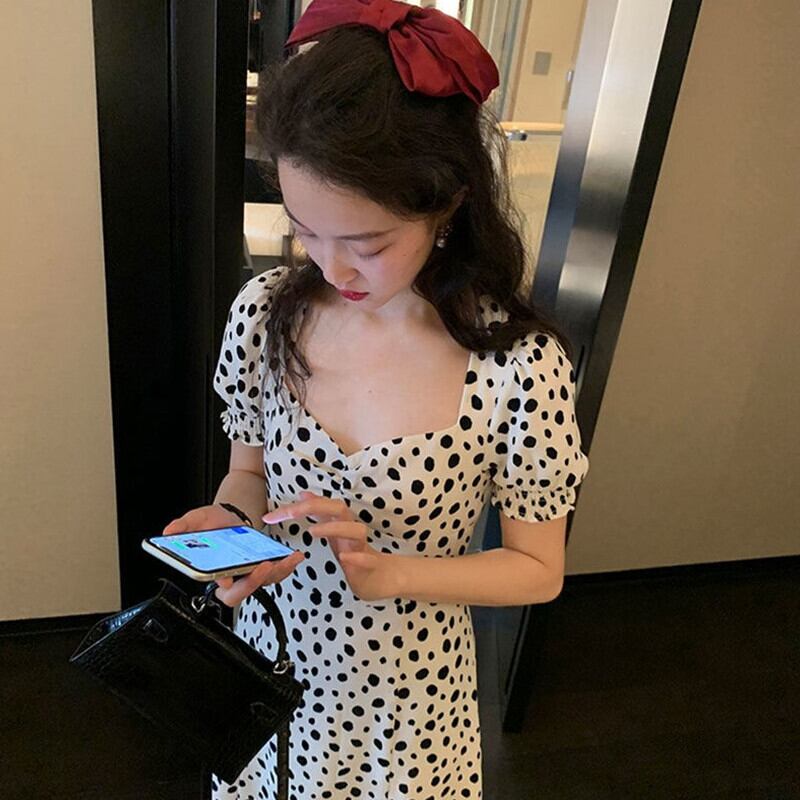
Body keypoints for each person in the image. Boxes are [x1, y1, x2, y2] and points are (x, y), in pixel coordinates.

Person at [163, 1, 590, 798]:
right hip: (271, 665)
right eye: (306, 231)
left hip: (407, 699)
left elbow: (538, 569)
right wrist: (231, 522)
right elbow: (248, 475)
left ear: (448, 203)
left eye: (368, 244)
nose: (332, 269)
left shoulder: (516, 366)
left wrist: (388, 572)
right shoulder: (265, 315)